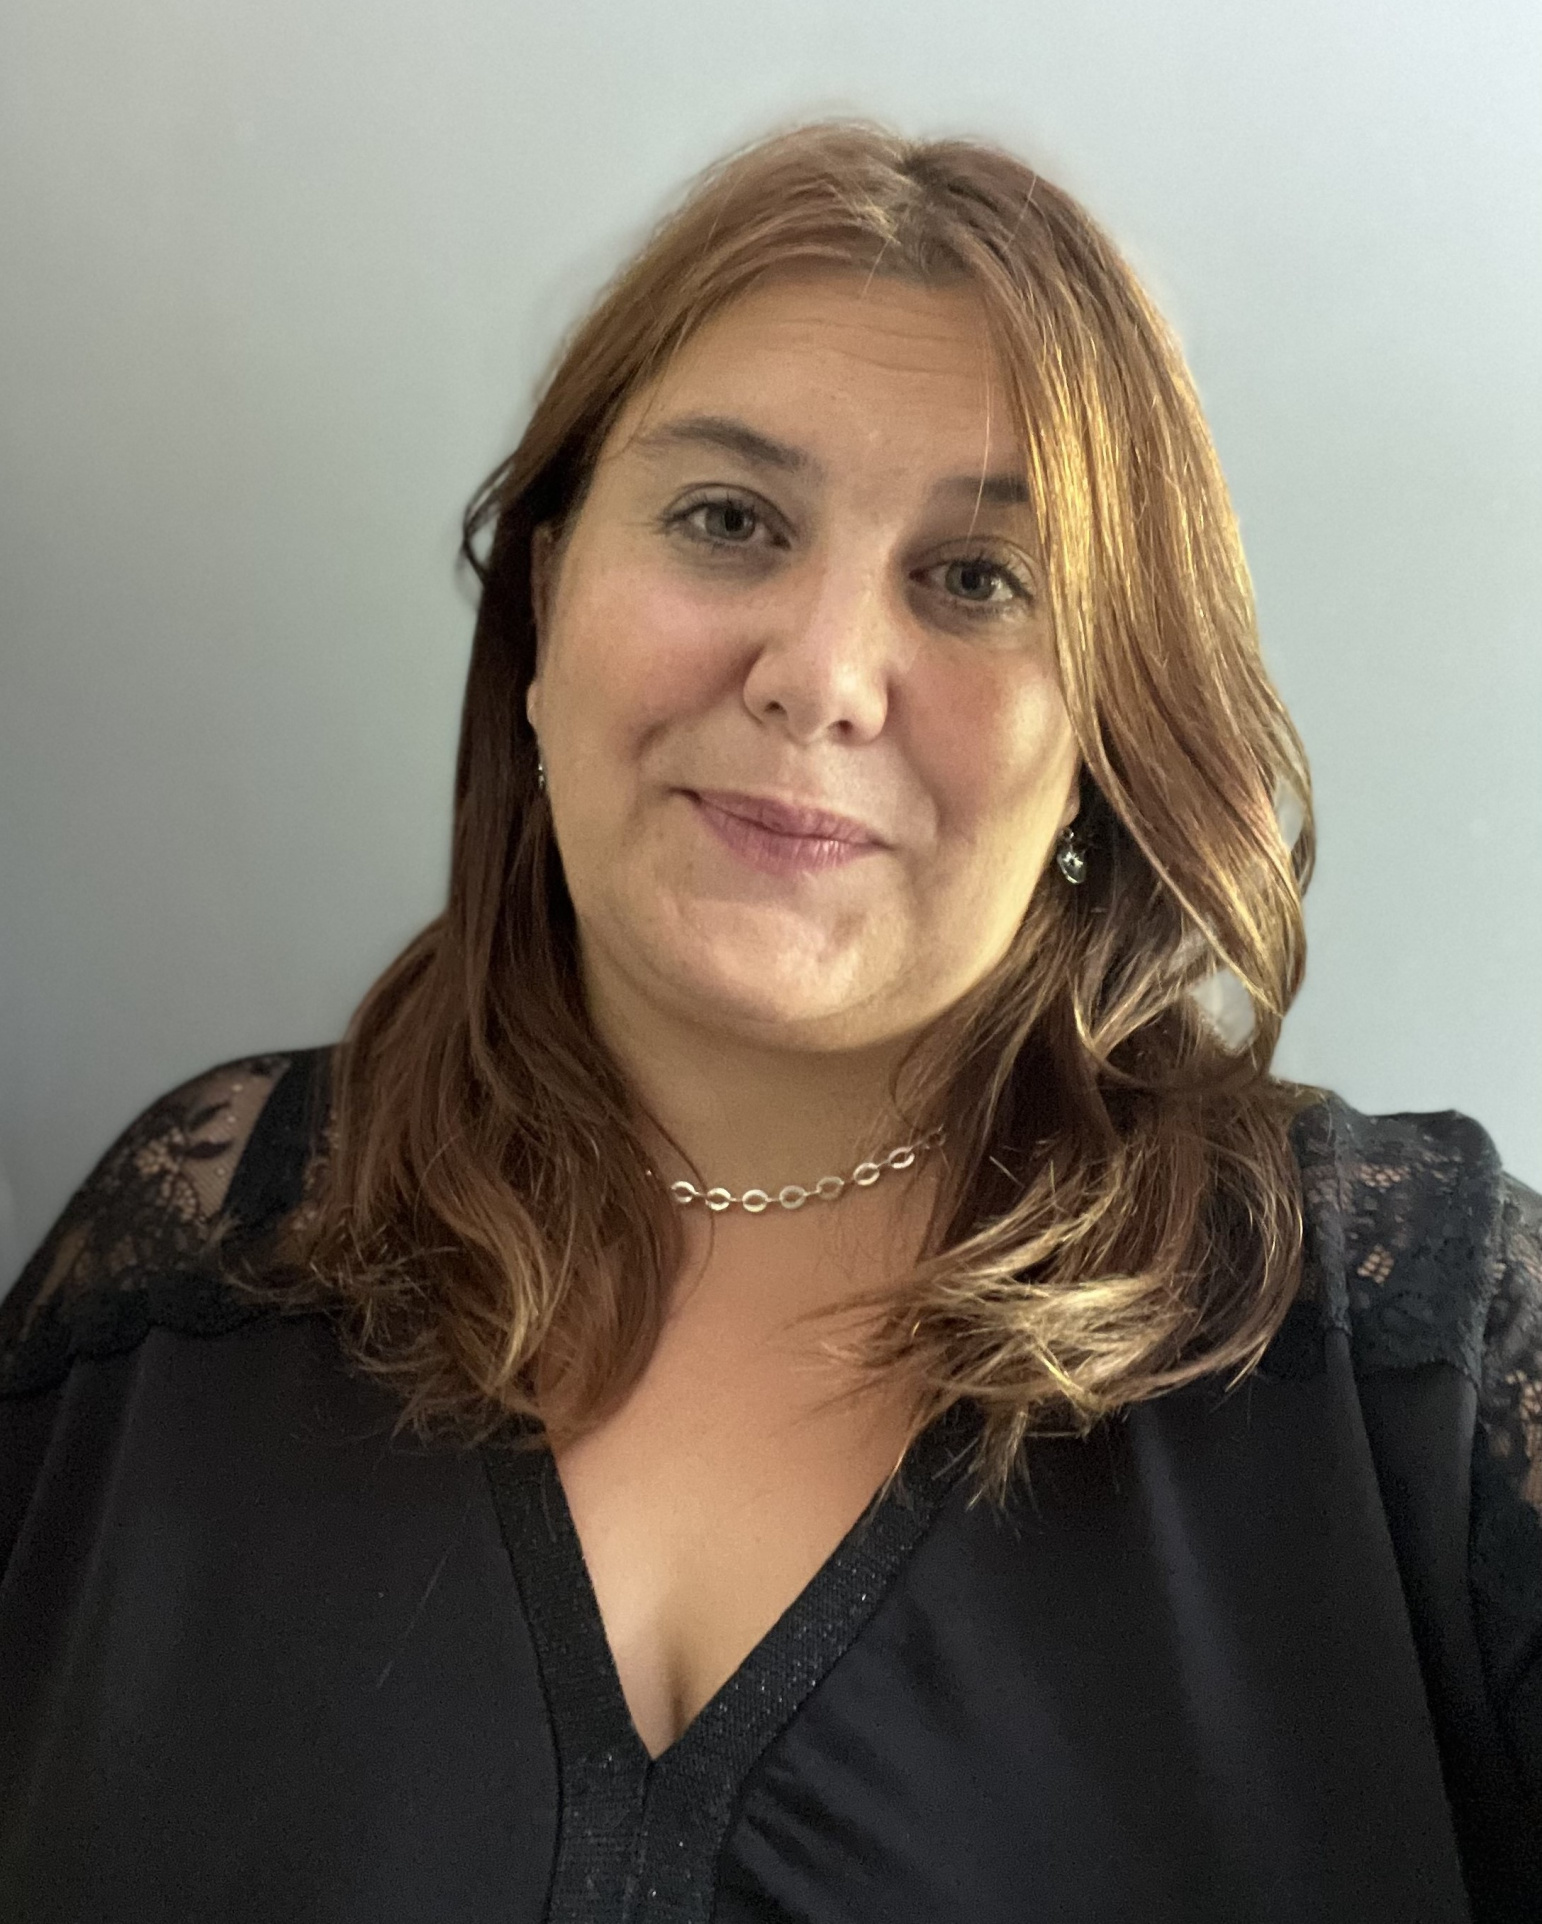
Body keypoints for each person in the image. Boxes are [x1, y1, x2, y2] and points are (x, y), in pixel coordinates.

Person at [2, 120, 1538, 1924]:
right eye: (728, 521)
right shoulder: (196, 1257)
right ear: (546, 603)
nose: (818, 675)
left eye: (978, 579)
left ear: (1106, 731)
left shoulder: (1409, 1351)